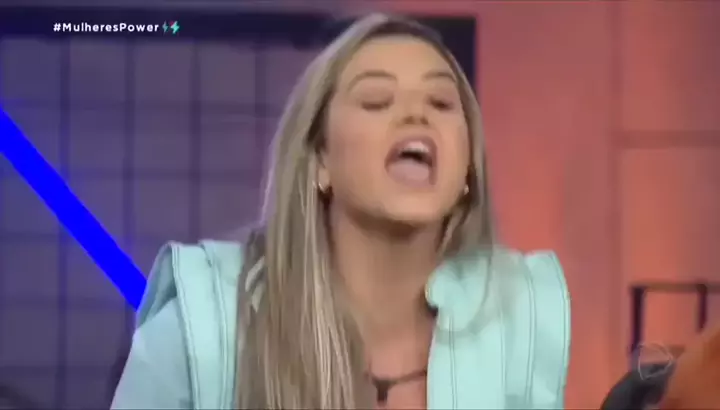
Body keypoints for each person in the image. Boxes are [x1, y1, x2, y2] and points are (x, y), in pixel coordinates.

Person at [111, 13, 570, 409]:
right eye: (376, 101)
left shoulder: (522, 320)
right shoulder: (204, 328)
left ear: (467, 168)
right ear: (320, 161)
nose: (416, 115)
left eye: (441, 102)